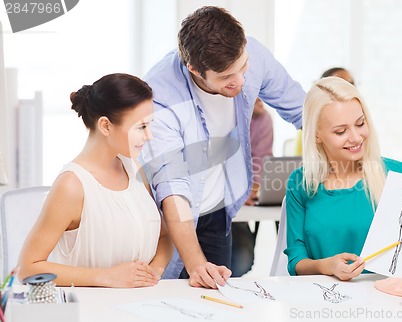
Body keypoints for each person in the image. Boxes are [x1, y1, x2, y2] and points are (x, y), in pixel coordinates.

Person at [141, 6, 304, 288]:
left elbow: (303, 108)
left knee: (218, 301)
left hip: (217, 208)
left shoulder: (251, 51)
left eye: (243, 66)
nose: (240, 81)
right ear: (194, 69)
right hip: (171, 218)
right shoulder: (160, 98)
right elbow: (173, 189)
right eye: (227, 76)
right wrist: (196, 265)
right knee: (168, 295)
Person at [285, 77, 402, 280]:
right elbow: (296, 261)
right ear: (316, 135)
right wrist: (326, 266)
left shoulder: (397, 175)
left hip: (386, 302)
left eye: (360, 124)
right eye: (341, 131)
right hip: (323, 302)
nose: (356, 137)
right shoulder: (299, 184)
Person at [17, 73, 172, 287]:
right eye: (141, 127)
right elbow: (28, 268)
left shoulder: (134, 168)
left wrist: (154, 270)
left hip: (142, 304)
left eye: (149, 125)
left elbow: (164, 238)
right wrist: (105, 277)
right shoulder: (71, 186)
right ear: (106, 126)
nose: (149, 135)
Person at [231, 97, 274, 277]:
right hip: (208, 203)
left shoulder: (262, 118)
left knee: (241, 260)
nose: (261, 99)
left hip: (238, 206)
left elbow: (261, 159)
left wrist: (252, 188)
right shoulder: (218, 116)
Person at [294, 67, 355, 156]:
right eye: (340, 131)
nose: (347, 88)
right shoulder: (308, 125)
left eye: (351, 84)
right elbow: (300, 163)